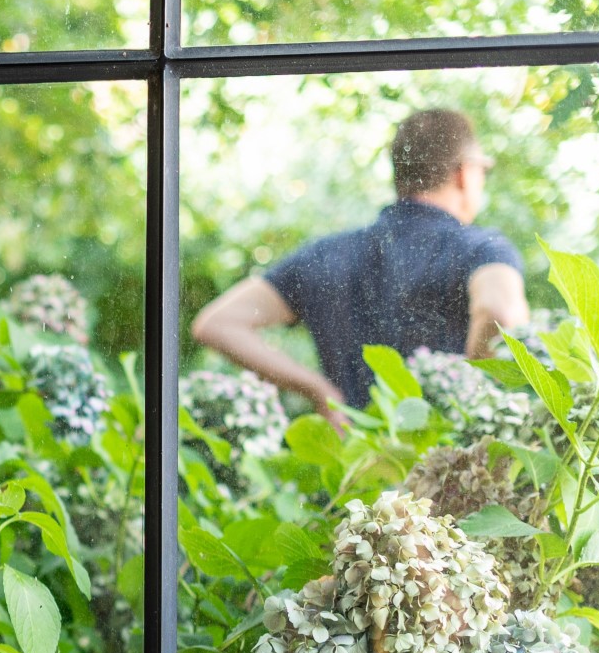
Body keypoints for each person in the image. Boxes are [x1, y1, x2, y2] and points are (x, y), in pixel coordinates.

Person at [191, 108, 531, 420]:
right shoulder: (481, 248)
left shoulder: (325, 256)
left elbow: (217, 323)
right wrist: (474, 393)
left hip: (360, 468)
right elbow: (501, 312)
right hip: (451, 470)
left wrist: (320, 391)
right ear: (463, 174)